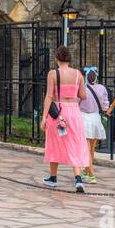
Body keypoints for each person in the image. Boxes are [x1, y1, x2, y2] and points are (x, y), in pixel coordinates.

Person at [41, 45, 89, 193]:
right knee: (75, 142)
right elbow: (83, 96)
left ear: (56, 58)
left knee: (55, 142)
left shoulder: (53, 74)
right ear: (69, 58)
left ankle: (53, 178)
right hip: (74, 112)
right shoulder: (78, 75)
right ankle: (78, 179)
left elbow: (49, 96)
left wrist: (43, 117)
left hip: (58, 113)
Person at [79, 68, 109, 184]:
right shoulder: (102, 88)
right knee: (91, 149)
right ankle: (87, 170)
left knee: (86, 149)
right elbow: (105, 105)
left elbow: (77, 102)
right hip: (96, 118)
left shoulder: (83, 89)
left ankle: (91, 175)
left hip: (84, 119)